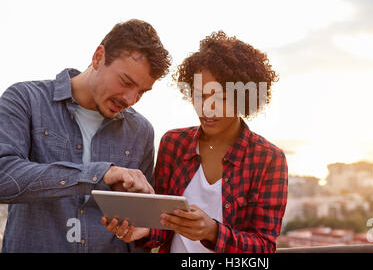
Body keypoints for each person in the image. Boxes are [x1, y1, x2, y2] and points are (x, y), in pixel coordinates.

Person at [102, 31, 288, 253]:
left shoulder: (268, 159)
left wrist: (212, 232)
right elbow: (163, 225)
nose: (206, 108)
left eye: (221, 98)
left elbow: (264, 248)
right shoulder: (173, 144)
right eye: (199, 95)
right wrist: (145, 230)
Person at [0, 19, 171, 252]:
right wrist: (100, 174)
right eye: (126, 82)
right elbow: (4, 178)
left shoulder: (141, 131)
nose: (130, 99)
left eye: (141, 92)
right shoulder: (25, 99)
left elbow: (138, 223)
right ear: (98, 57)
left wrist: (140, 229)